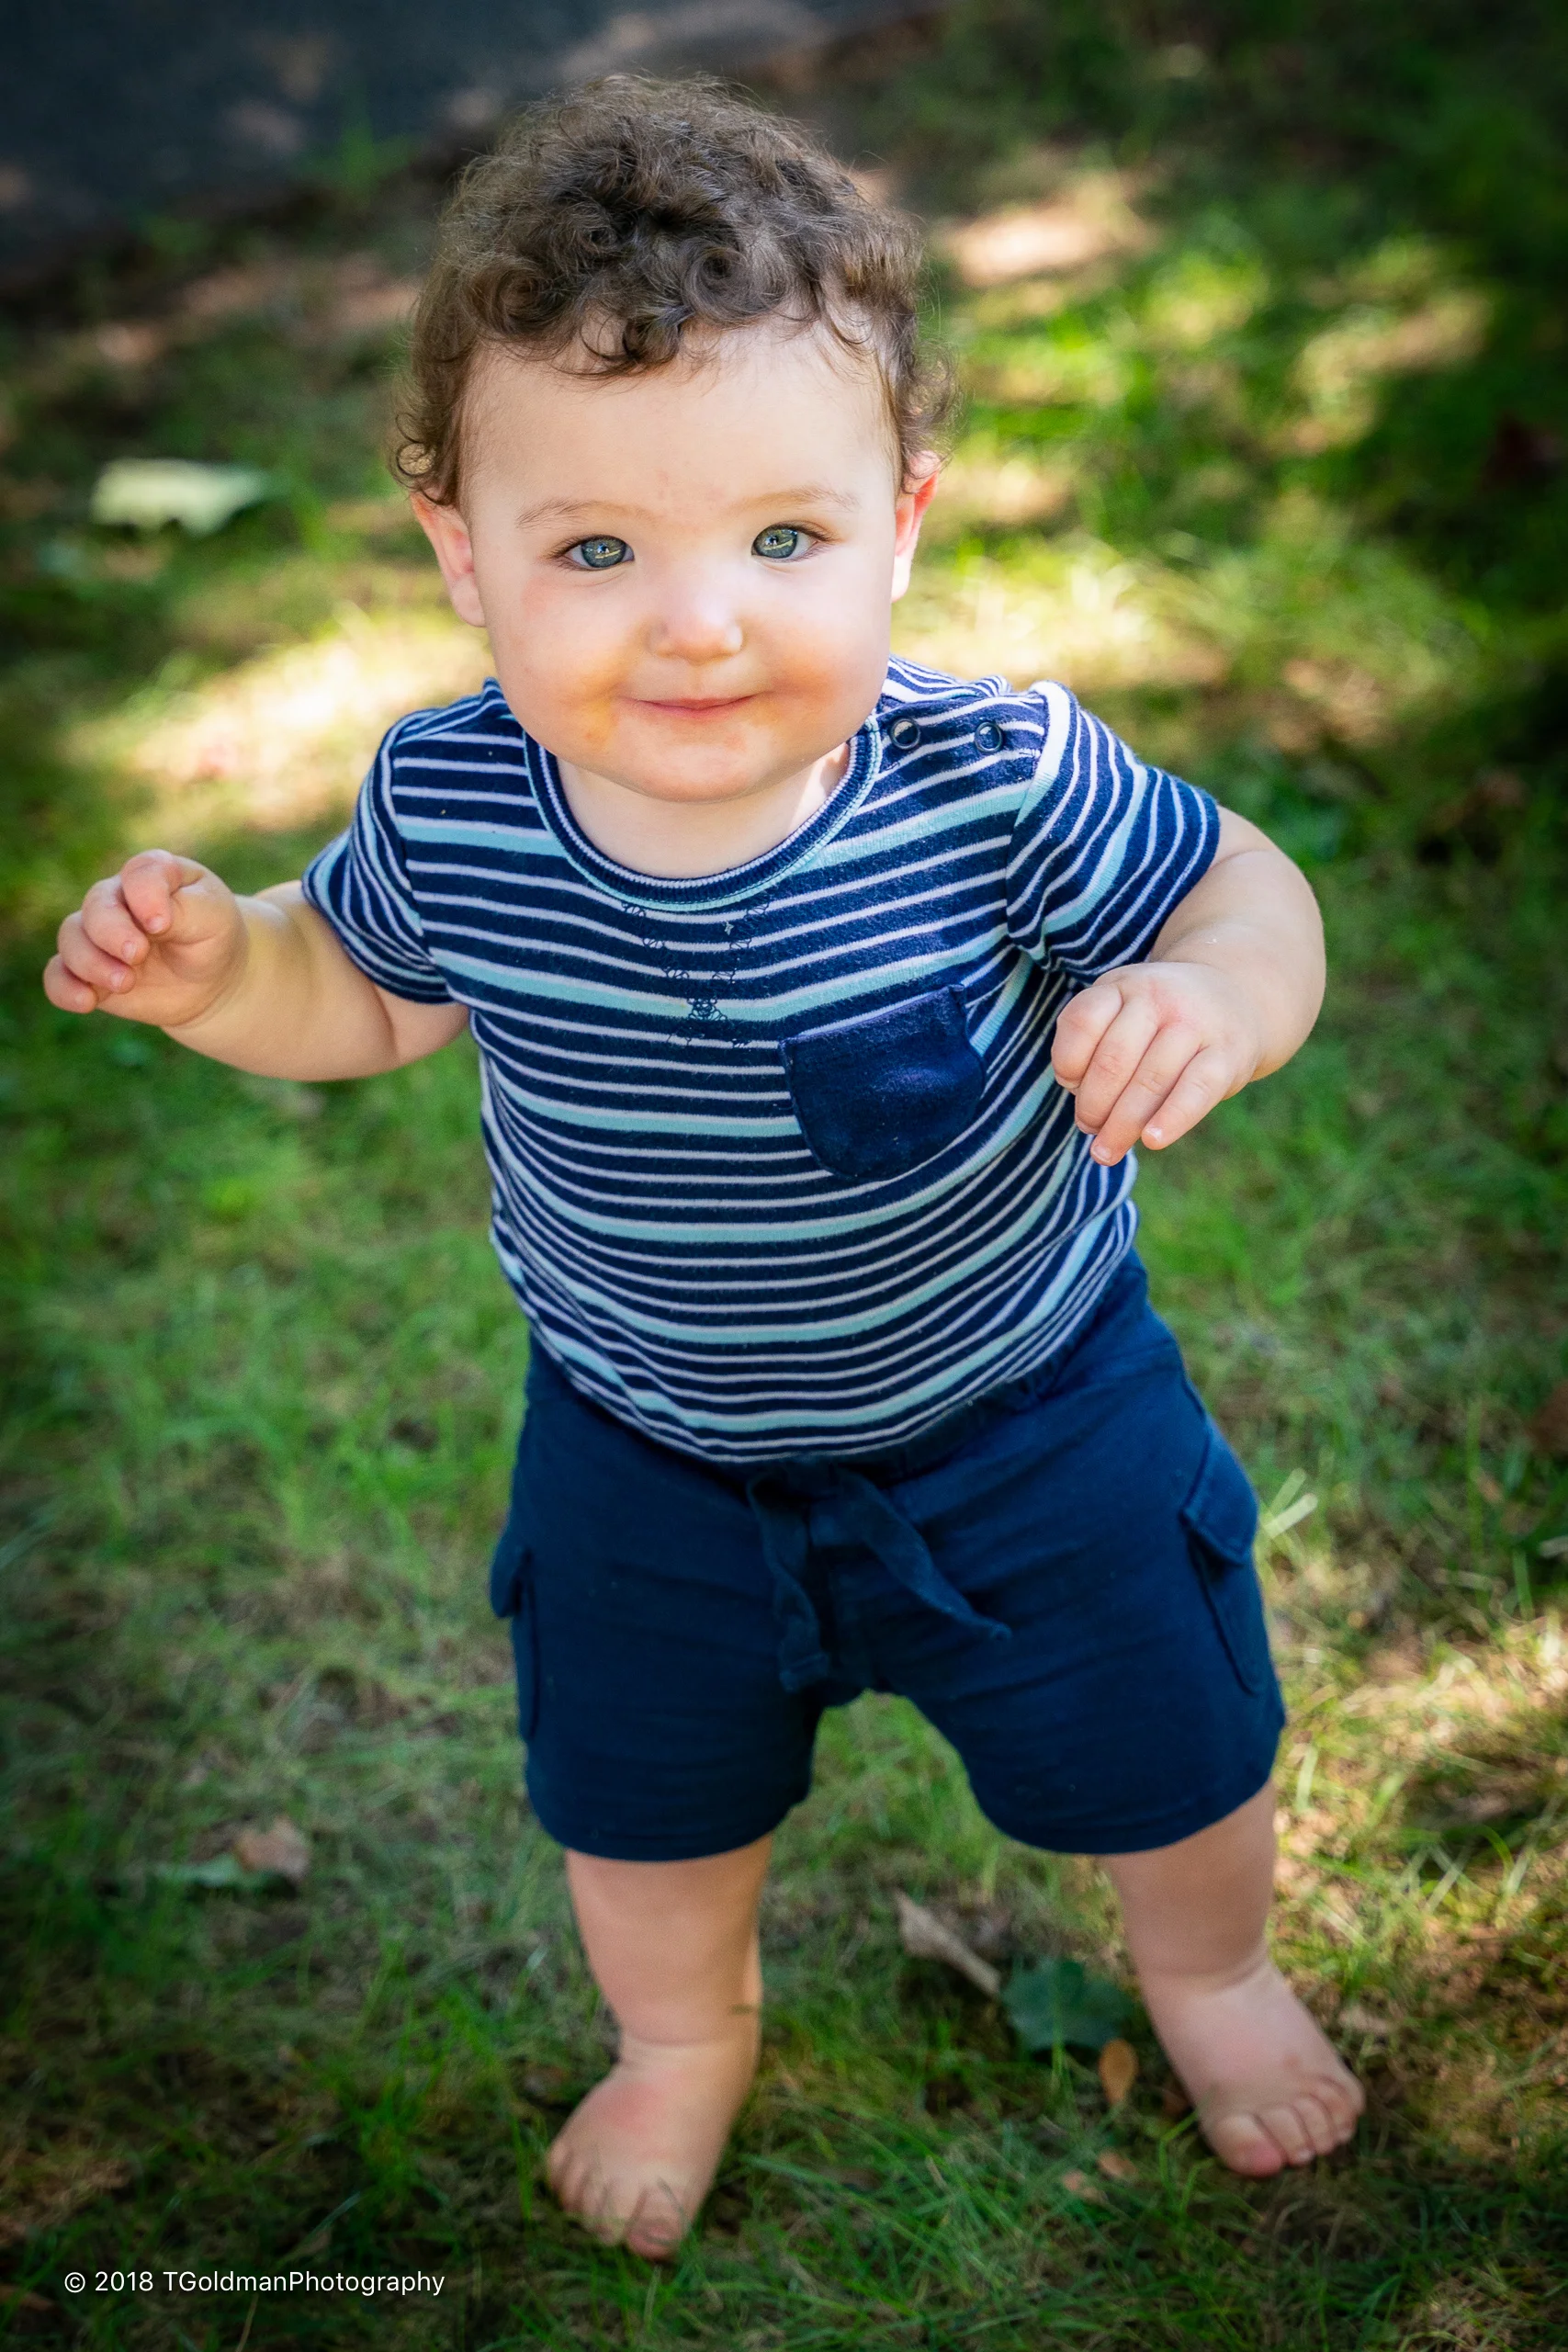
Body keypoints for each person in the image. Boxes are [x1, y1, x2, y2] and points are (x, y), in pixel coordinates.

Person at [44, 76, 1362, 2261]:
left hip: (1029, 1409)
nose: (698, 621)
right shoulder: (455, 807)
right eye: (594, 550)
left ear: (900, 522)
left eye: (779, 539)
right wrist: (220, 970)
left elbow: (1250, 889)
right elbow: (357, 995)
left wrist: (1214, 991)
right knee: (637, 1801)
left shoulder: (994, 781)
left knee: (1169, 1735)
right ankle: (682, 2033)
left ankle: (1210, 1970)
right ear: (459, 553)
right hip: (645, 1443)